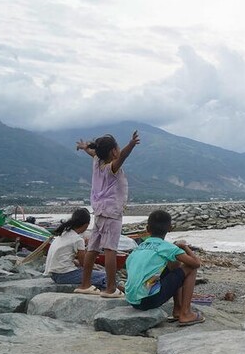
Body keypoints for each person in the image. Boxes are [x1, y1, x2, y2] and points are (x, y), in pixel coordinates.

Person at [74, 131, 139, 297]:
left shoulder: (97, 162)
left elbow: (93, 152)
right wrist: (131, 144)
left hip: (99, 211)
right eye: (117, 147)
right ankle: (110, 288)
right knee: (110, 250)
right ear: (113, 152)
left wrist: (84, 147)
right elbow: (123, 157)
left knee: (93, 249)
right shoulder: (111, 168)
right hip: (111, 213)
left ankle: (85, 284)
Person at [125, 209, 204, 326]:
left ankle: (177, 309)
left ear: (147, 229)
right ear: (170, 228)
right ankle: (186, 313)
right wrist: (185, 247)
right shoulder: (167, 247)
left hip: (132, 299)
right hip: (149, 300)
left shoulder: (139, 247)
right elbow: (195, 263)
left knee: (175, 263)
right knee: (190, 269)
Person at [43, 208, 107, 288]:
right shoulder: (78, 239)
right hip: (65, 275)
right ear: (86, 225)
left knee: (96, 277)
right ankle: (114, 292)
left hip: (54, 275)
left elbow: (67, 258)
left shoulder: (63, 233)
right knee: (105, 276)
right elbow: (83, 264)